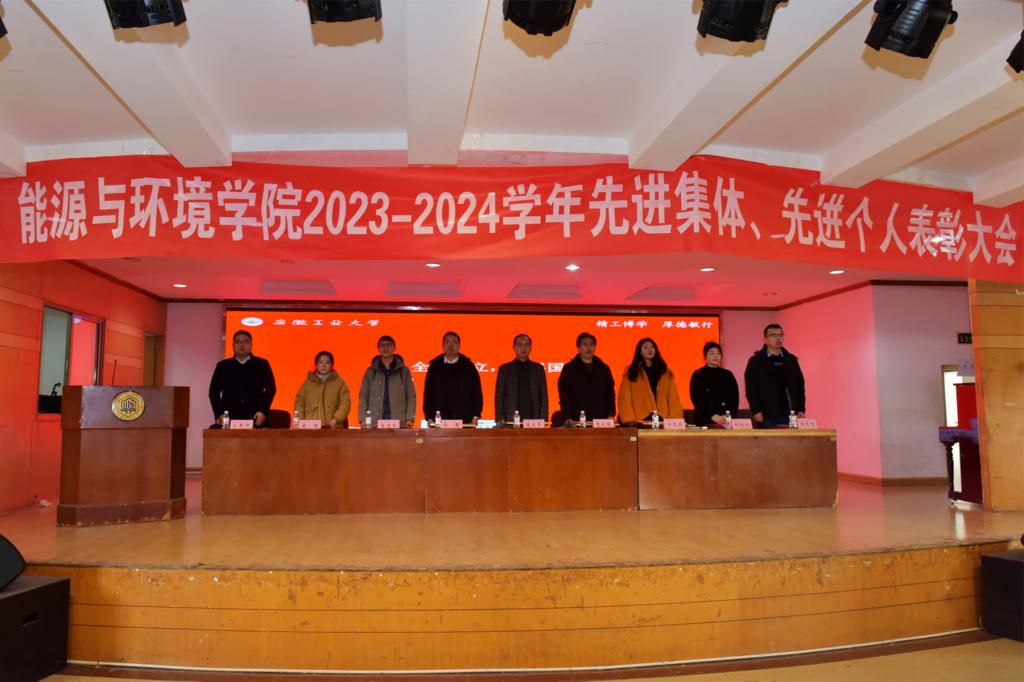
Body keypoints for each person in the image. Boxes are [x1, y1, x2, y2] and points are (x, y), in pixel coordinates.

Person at [208, 329, 276, 427]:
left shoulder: (262, 364)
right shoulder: (223, 366)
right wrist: (219, 414)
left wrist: (263, 411)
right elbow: (213, 392)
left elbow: (271, 389)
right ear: (233, 346)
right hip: (229, 418)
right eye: (238, 342)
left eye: (246, 341)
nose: (242, 345)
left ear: (251, 345)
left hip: (256, 418)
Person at [744, 323, 806, 429]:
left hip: (790, 413)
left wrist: (801, 408)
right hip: (766, 414)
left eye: (781, 335)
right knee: (768, 440)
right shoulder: (756, 360)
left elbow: (800, 385)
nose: (778, 338)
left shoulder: (791, 360)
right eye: (773, 335)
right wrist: (756, 410)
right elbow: (751, 388)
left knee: (791, 439)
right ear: (765, 339)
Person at [618, 337, 684, 426]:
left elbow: (673, 397)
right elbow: (625, 398)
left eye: (652, 347)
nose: (650, 350)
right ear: (639, 351)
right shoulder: (632, 371)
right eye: (646, 347)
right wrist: (629, 420)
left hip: (662, 418)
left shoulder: (664, 371)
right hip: (640, 419)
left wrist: (675, 420)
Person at [423, 331, 483, 424]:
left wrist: (476, 415)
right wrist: (429, 416)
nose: (450, 345)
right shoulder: (435, 366)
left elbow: (476, 392)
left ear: (459, 346)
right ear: (442, 345)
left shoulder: (468, 366)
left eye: (454, 342)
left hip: (464, 418)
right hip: (439, 419)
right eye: (447, 342)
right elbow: (428, 393)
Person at [358, 335, 417, 428]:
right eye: (382, 345)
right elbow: (363, 396)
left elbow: (411, 396)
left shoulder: (404, 371)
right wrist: (362, 419)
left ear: (394, 348)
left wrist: (409, 418)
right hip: (374, 423)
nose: (385, 348)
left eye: (389, 345)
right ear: (378, 349)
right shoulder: (370, 371)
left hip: (399, 423)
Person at [557, 332, 615, 424]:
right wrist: (567, 416)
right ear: (578, 348)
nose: (589, 348)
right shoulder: (569, 369)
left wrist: (611, 413)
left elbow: (610, 393)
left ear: (595, 347)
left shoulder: (604, 369)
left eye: (591, 344)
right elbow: (564, 395)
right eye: (585, 344)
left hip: (600, 418)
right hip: (577, 417)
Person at [494, 333, 548, 424]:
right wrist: (500, 418)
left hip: (534, 420)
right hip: (510, 420)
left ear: (531, 347)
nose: (523, 348)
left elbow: (543, 396)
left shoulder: (538, 369)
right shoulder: (504, 369)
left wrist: (544, 419)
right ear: (514, 347)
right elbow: (499, 396)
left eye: (526, 345)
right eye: (519, 345)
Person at [294, 351, 350, 428]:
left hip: (333, 428)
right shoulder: (306, 385)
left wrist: (336, 418)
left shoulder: (340, 383)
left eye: (327, 362)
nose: (324, 365)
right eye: (320, 362)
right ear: (316, 365)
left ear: (332, 365)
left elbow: (345, 403)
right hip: (311, 428)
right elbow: (299, 404)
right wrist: (300, 421)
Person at [689, 341, 740, 426]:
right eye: (711, 353)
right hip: (704, 421)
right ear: (705, 356)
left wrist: (728, 415)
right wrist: (712, 415)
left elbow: (734, 399)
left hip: (725, 421)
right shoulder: (698, 375)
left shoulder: (728, 375)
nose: (715, 356)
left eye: (718, 353)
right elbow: (697, 399)